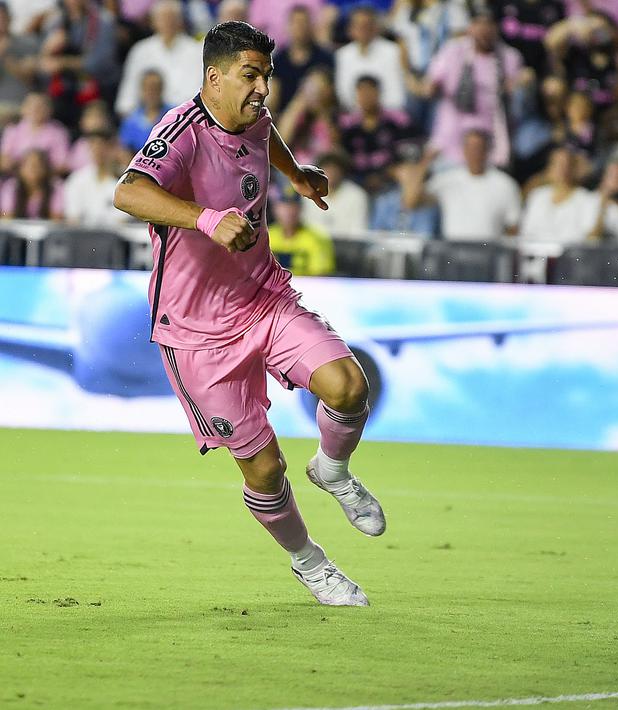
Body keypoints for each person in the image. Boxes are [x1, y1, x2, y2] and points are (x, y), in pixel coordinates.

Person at [112, 21, 385, 607]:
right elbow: (127, 192)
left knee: (348, 385)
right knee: (264, 470)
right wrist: (206, 218)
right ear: (214, 77)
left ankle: (333, 469)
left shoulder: (253, 117)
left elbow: (266, 137)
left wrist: (297, 175)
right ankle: (309, 562)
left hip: (263, 297)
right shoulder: (181, 132)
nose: (262, 88)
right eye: (250, 75)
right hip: (196, 332)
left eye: (266, 75)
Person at [420, 8, 524, 169]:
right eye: (478, 24)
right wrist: (430, 87)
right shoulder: (452, 51)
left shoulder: (509, 57)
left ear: (497, 28)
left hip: (490, 141)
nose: (484, 30)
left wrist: (520, 83)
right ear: (470, 27)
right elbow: (429, 86)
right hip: (451, 140)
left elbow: (515, 98)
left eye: (489, 25)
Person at [400, 129, 522, 241]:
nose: (474, 153)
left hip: (489, 251)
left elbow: (513, 226)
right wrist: (425, 162)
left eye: (478, 148)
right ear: (463, 150)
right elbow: (411, 202)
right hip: (453, 250)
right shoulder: (447, 179)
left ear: (487, 150)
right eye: (470, 147)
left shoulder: (505, 184)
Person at [114, 1, 203, 115]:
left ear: (180, 21)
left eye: (172, 18)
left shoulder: (196, 50)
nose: (167, 23)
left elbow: (200, 91)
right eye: (162, 19)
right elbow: (128, 95)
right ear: (153, 22)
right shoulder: (141, 50)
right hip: (149, 116)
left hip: (186, 116)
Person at [339, 75, 418, 193]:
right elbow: (342, 156)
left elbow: (409, 150)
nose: (366, 97)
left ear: (378, 93)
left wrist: (388, 172)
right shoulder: (347, 125)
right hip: (357, 179)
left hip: (390, 178)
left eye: (369, 91)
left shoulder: (397, 119)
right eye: (361, 92)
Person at [519, 145, 598, 244]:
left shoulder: (586, 199)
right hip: (535, 251)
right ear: (549, 167)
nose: (562, 169)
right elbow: (526, 231)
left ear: (574, 168)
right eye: (557, 164)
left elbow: (589, 236)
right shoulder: (537, 195)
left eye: (566, 165)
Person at [335, 5, 407, 111]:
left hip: (387, 114)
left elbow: (397, 96)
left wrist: (375, 112)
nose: (363, 30)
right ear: (350, 29)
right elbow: (343, 94)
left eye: (367, 26)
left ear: (376, 28)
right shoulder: (342, 55)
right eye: (359, 26)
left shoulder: (393, 52)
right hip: (354, 115)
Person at [269, 5, 334, 112]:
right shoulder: (278, 60)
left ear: (311, 26)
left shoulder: (324, 58)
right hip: (284, 114)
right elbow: (274, 97)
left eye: (304, 23)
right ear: (288, 26)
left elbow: (329, 97)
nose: (300, 27)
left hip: (317, 113)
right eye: (296, 23)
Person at [268, 183, 336, 276]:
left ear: (301, 208)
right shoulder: (265, 236)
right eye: (284, 206)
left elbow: (321, 277)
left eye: (293, 205)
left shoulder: (317, 238)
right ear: (275, 208)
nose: (289, 211)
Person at [64, 129, 128, 227]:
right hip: (82, 234)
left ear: (113, 149)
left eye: (103, 147)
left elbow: (124, 219)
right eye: (94, 147)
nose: (98, 152)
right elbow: (73, 218)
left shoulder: (127, 179)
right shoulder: (77, 180)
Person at [0, 92, 70, 174]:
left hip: (47, 178)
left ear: (50, 110)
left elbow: (62, 164)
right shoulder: (12, 129)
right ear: (23, 109)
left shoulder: (58, 131)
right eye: (31, 106)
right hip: (15, 176)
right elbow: (4, 159)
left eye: (40, 106)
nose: (35, 110)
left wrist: (37, 170)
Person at [302, 152, 370, 236]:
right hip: (314, 242)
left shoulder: (357, 195)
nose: (331, 174)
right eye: (327, 169)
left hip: (347, 242)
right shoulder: (309, 194)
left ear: (342, 172)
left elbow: (359, 231)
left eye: (334, 170)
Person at [0, 149, 64, 220]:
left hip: (46, 227)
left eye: (37, 165)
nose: (33, 170)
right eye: (28, 165)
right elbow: (6, 217)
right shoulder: (11, 187)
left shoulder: (55, 187)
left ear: (45, 169)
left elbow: (56, 219)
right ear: (20, 168)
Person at [120, 71, 172, 153]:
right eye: (148, 88)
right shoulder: (130, 120)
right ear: (142, 90)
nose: (151, 93)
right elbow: (124, 149)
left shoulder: (173, 116)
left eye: (155, 88)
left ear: (162, 89)